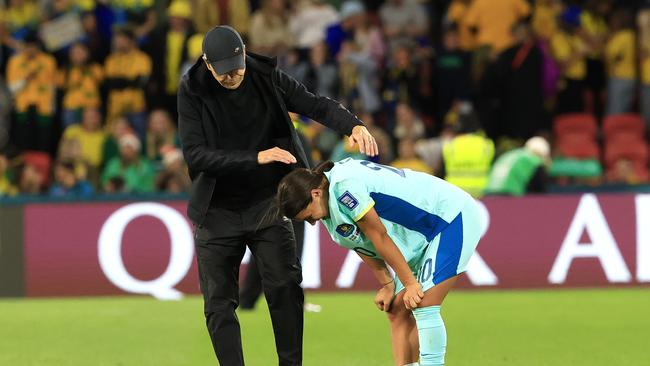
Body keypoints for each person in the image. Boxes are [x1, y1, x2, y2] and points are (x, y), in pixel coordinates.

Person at [178, 25, 378, 366]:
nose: (233, 76)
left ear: (244, 53)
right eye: (224, 72)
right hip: (217, 210)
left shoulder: (265, 75)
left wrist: (353, 125)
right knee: (218, 303)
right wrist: (255, 157)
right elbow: (195, 155)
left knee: (286, 286)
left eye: (237, 67)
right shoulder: (192, 90)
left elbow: (314, 104)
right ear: (207, 64)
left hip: (268, 202)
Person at [275, 158, 483, 366]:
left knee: (423, 302)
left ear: (315, 194)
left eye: (309, 216)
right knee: (396, 309)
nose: (312, 223)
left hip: (449, 216)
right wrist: (387, 283)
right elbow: (363, 244)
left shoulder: (344, 187)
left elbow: (378, 234)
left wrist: (410, 284)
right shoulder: (330, 208)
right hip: (422, 235)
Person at [484, 136, 551, 196]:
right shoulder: (533, 160)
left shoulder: (510, 154)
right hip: (509, 195)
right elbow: (540, 191)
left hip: (489, 193)